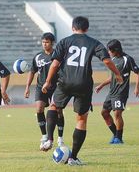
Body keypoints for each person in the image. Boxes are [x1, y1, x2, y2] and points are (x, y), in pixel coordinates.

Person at [41, 16, 123, 165]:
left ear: (73, 28)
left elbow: (54, 65)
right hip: (84, 84)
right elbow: (107, 60)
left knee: (54, 106)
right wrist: (117, 74)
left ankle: (49, 138)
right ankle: (73, 157)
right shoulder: (94, 42)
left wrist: (47, 82)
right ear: (86, 29)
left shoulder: (64, 42)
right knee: (81, 119)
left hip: (65, 81)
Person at [95, 39, 139, 144]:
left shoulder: (127, 59)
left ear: (116, 50)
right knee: (104, 113)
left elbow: (138, 73)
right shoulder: (113, 60)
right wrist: (101, 85)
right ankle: (116, 135)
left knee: (117, 114)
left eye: (110, 50)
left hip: (121, 92)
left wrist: (137, 87)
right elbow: (113, 77)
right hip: (112, 92)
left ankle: (118, 138)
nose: (109, 52)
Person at [24, 32, 65, 150]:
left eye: (47, 42)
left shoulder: (58, 55)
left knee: (58, 112)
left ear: (52, 43)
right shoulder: (38, 57)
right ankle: (44, 136)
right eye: (43, 42)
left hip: (56, 87)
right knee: (39, 109)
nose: (44, 44)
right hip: (40, 86)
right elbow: (32, 71)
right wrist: (27, 87)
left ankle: (60, 138)